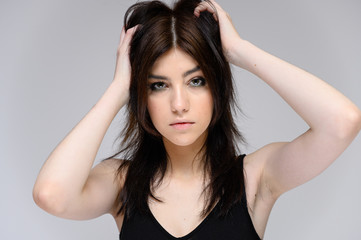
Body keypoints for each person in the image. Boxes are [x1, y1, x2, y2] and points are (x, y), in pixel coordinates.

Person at [33, 0, 361, 239]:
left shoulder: (255, 177)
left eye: (196, 81)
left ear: (217, 86)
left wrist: (240, 52)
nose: (179, 104)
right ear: (142, 96)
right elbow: (51, 195)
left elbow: (342, 122)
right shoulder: (122, 183)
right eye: (158, 85)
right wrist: (119, 89)